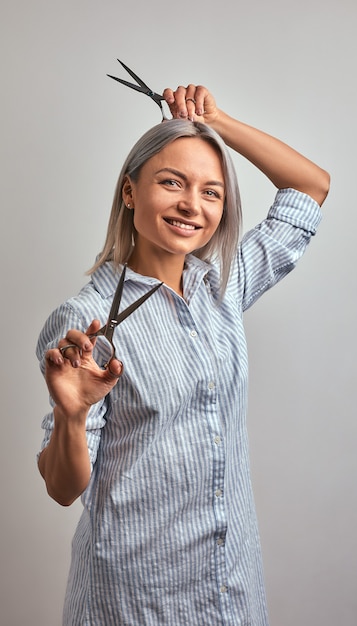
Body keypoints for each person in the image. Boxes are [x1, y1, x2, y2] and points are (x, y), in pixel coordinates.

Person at [37, 82, 330, 626]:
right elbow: (61, 487)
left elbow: (310, 187)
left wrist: (219, 123)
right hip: (135, 599)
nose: (191, 205)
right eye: (171, 182)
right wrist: (71, 416)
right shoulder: (88, 319)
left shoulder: (223, 287)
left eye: (212, 192)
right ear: (130, 192)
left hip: (230, 589)